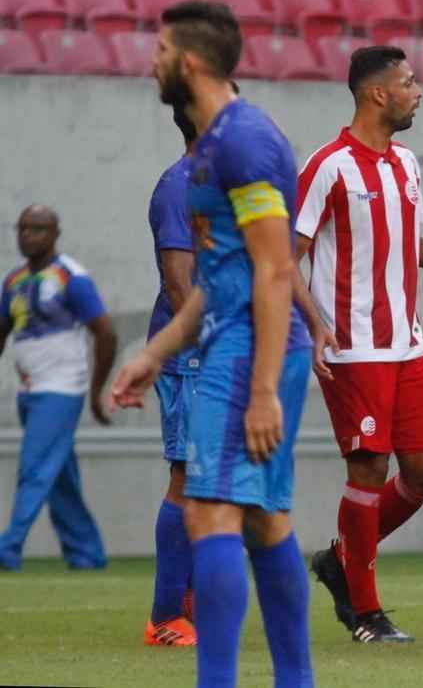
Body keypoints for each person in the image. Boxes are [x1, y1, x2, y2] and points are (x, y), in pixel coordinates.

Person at [110, 0, 315, 687]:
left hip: (251, 348)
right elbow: (218, 279)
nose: (152, 62)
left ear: (191, 63)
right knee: (263, 520)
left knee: (209, 509)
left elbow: (275, 270)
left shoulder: (243, 143)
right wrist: (155, 353)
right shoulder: (208, 150)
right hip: (231, 339)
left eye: (162, 50)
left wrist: (262, 390)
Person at [296, 45, 423, 644]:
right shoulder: (329, 166)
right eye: (409, 83)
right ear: (377, 93)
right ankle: (366, 613)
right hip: (353, 345)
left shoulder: (406, 163)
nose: (419, 92)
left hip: (407, 344)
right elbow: (286, 257)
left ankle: (342, 557)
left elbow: (404, 243)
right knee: (369, 467)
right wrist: (314, 326)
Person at [0, 205, 116, 572]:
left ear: (54, 234)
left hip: (62, 389)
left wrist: (96, 391)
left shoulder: (72, 278)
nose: (27, 235)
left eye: (37, 229)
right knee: (58, 475)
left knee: (35, 467)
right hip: (29, 389)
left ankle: (8, 547)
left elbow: (106, 334)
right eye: (23, 228)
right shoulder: (13, 280)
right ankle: (86, 552)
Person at [142, 102, 202, 647]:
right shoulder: (179, 186)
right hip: (192, 354)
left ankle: (190, 603)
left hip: (226, 352)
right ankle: (165, 615)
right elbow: (179, 282)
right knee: (187, 476)